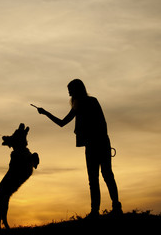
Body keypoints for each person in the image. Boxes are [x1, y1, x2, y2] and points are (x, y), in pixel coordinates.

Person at [34, 79, 123, 218]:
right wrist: (45, 113)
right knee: (106, 176)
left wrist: (45, 113)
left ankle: (98, 210)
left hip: (95, 144)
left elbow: (62, 123)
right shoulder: (88, 102)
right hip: (101, 143)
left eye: (70, 90)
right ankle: (113, 207)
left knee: (97, 178)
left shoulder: (83, 104)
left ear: (76, 90)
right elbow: (101, 123)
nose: (69, 93)